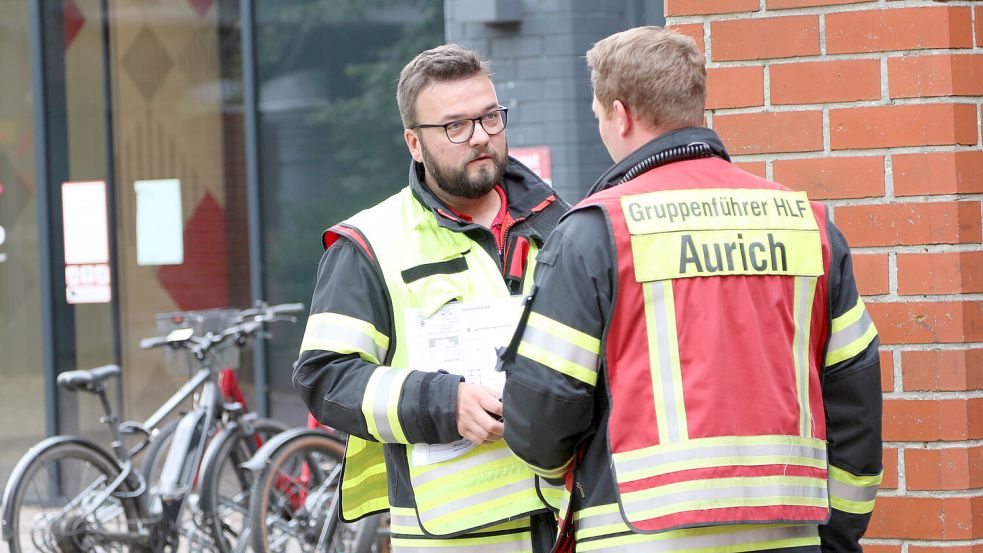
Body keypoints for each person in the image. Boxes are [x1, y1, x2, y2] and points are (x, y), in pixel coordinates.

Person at [500, 26, 883, 553]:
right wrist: (835, 534)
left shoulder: (597, 232)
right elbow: (853, 398)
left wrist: (550, 474)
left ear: (621, 114)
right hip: (788, 537)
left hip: (639, 536)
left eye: (597, 116)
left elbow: (543, 415)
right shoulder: (807, 223)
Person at [293, 44, 570, 552]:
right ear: (414, 143)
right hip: (456, 539)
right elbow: (325, 378)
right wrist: (444, 401)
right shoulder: (369, 244)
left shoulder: (562, 223)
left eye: (490, 117)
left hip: (566, 527)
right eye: (455, 127)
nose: (481, 138)